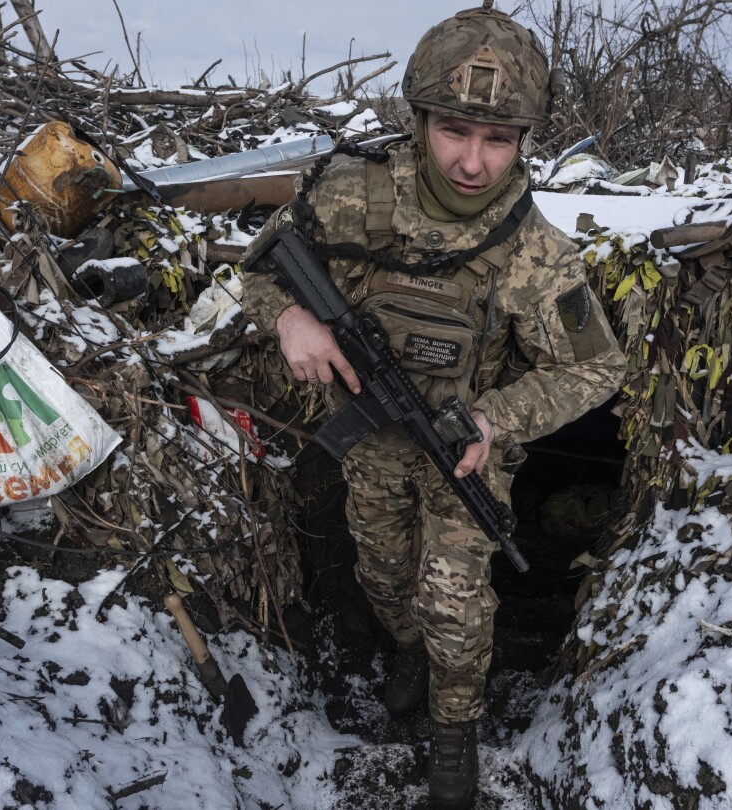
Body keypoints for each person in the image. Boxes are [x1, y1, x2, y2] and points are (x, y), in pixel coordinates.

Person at [242, 3, 626, 806]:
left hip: (465, 450)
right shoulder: (354, 196)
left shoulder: (533, 251)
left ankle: (455, 738)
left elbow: (596, 371)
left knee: (456, 600)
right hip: (371, 441)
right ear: (418, 120)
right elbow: (261, 263)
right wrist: (289, 320)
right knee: (383, 573)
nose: (474, 162)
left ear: (526, 140)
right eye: (454, 131)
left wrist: (497, 421)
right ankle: (406, 654)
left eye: (500, 139)